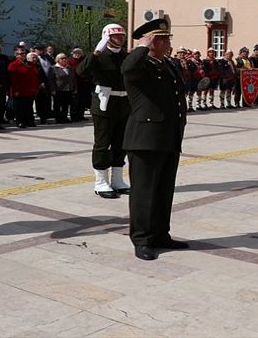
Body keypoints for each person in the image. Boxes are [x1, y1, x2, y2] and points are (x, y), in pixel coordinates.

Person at [122, 18, 188, 261]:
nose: (168, 43)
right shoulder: (139, 65)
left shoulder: (166, 64)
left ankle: (161, 234)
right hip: (145, 138)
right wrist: (141, 46)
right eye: (162, 39)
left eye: (168, 38)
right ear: (151, 42)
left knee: (163, 189)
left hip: (169, 135)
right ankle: (142, 239)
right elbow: (127, 68)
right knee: (144, 191)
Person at [77, 24, 131, 198]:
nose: (120, 39)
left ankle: (117, 180)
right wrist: (95, 53)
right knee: (102, 143)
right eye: (116, 36)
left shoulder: (125, 56)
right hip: (104, 103)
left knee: (120, 143)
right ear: (106, 37)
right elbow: (81, 71)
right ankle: (100, 182)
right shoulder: (99, 55)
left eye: (122, 36)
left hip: (123, 103)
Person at [8, 47, 38, 128]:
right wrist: (15, 90)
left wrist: (35, 88)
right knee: (19, 108)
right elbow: (12, 79)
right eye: (19, 54)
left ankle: (30, 121)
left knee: (29, 106)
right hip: (18, 90)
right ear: (15, 55)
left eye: (23, 53)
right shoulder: (13, 65)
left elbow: (34, 77)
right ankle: (20, 122)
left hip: (29, 90)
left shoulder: (31, 64)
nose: (21, 55)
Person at [48, 53, 76, 123]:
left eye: (65, 58)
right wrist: (52, 89)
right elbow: (51, 80)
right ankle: (58, 118)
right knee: (57, 105)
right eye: (62, 58)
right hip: (58, 90)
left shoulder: (69, 68)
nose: (64, 59)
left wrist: (75, 88)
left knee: (66, 104)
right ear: (58, 60)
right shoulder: (53, 68)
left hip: (68, 89)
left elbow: (73, 79)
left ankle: (64, 117)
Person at [68, 47, 90, 122]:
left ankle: (81, 115)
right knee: (75, 101)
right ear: (72, 53)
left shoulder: (83, 60)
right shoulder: (69, 61)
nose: (77, 54)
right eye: (76, 53)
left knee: (82, 100)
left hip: (83, 82)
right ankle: (74, 116)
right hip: (74, 83)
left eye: (79, 53)